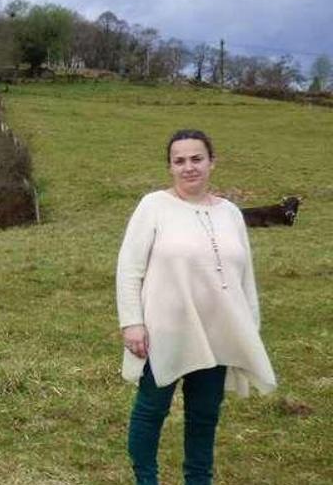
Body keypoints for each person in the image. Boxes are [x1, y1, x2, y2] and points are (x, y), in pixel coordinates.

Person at [116, 129, 276, 484]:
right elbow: (129, 269)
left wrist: (248, 327)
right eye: (180, 161)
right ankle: (146, 479)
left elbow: (245, 276)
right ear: (171, 167)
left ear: (211, 162)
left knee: (204, 417)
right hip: (164, 331)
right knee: (151, 411)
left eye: (196, 159)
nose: (189, 167)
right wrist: (132, 323)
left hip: (217, 333)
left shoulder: (231, 213)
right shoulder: (154, 206)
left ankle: (198, 480)